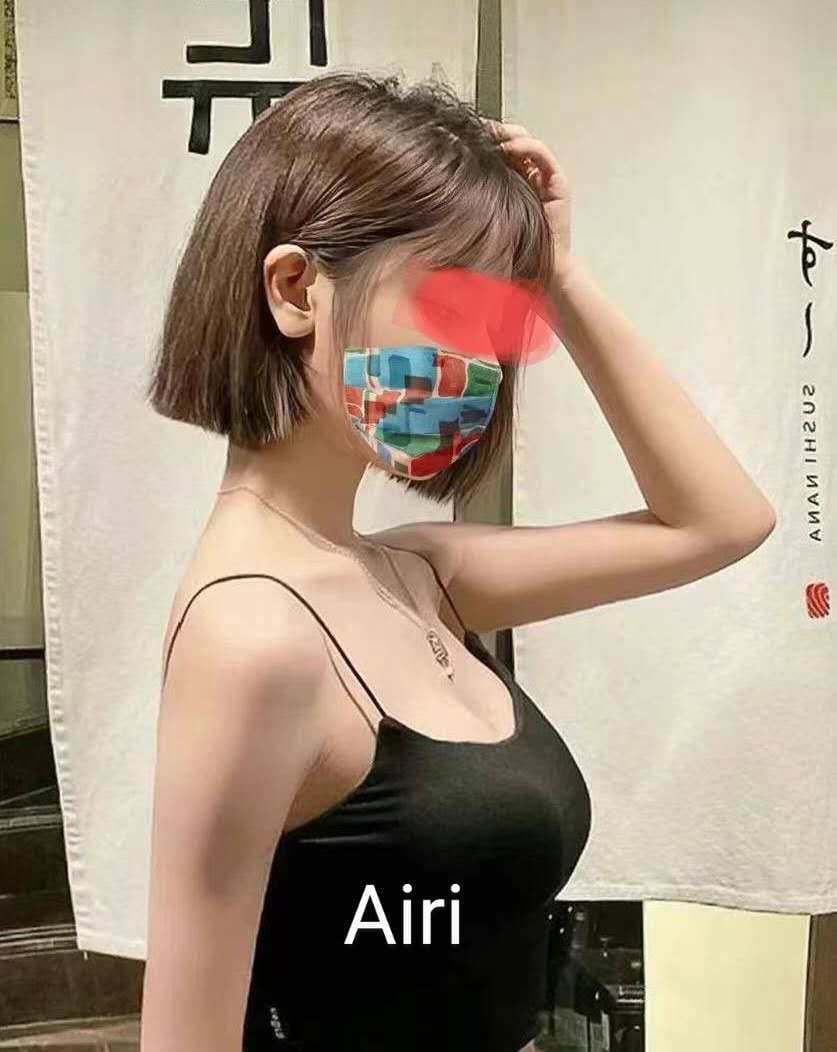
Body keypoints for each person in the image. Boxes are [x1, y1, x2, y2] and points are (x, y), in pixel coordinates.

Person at [139, 71, 776, 1052]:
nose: (477, 359)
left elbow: (720, 521)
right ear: (296, 290)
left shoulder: (417, 573)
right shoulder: (253, 636)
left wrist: (559, 278)